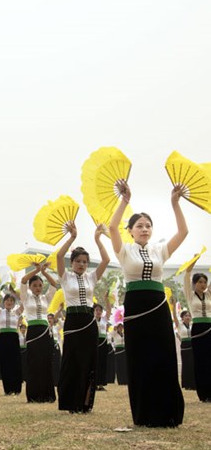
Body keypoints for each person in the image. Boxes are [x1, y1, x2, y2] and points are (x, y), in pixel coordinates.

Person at [109, 180, 186, 427]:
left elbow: (183, 233)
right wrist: (125, 201)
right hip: (135, 304)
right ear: (130, 230)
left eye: (148, 226)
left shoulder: (159, 250)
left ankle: (168, 412)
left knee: (163, 355)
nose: (145, 229)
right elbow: (112, 227)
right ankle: (144, 413)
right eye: (139, 226)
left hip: (158, 305)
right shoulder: (124, 251)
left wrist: (175, 203)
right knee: (140, 357)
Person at [55, 222, 109, 413]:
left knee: (88, 362)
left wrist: (98, 239)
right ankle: (69, 402)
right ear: (72, 263)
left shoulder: (91, 278)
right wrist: (71, 237)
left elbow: (106, 260)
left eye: (85, 262)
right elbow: (58, 256)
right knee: (71, 360)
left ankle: (85, 403)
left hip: (88, 322)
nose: (82, 265)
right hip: (72, 322)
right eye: (78, 261)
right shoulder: (65, 276)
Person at [21, 263, 58, 403]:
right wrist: (36, 270)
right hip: (32, 332)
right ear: (30, 287)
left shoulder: (45, 298)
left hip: (45, 332)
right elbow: (23, 280)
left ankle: (47, 395)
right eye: (35, 285)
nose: (37, 288)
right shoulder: (26, 298)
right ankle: (34, 395)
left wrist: (44, 272)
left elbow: (54, 285)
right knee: (33, 363)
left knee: (46, 363)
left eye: (40, 285)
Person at [183, 261, 210, 402]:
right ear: (194, 284)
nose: (203, 284)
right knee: (200, 361)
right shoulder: (190, 295)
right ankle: (203, 394)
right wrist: (194, 261)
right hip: (198, 330)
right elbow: (186, 275)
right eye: (200, 282)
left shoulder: (209, 294)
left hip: (210, 329)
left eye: (205, 282)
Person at [0, 291, 23, 395]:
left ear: (14, 302)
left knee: (16, 363)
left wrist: (16, 293)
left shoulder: (17, 312)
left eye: (11, 300)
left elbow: (24, 302)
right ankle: (8, 389)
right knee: (5, 363)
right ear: (3, 302)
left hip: (14, 337)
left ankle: (17, 388)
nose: (9, 302)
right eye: (7, 300)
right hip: (3, 338)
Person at [172, 309, 195, 391]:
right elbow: (174, 317)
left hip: (192, 346)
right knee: (186, 364)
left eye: (189, 315)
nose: (188, 317)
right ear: (182, 317)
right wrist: (174, 306)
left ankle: (193, 384)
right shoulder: (180, 325)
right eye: (186, 315)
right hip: (185, 347)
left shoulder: (192, 325)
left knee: (193, 364)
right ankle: (187, 384)